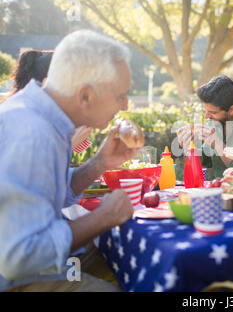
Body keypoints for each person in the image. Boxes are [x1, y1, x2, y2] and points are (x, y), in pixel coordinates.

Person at [0, 30, 139, 292]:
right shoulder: (33, 134)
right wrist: (104, 217)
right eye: (121, 95)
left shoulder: (44, 117)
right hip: (18, 278)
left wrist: (98, 164)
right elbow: (19, 258)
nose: (125, 106)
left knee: (128, 259)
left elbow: (46, 192)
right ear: (85, 96)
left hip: (35, 265)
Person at [1, 49, 92, 153]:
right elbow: (27, 165)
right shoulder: (22, 116)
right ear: (46, 83)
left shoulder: (44, 114)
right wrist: (68, 145)